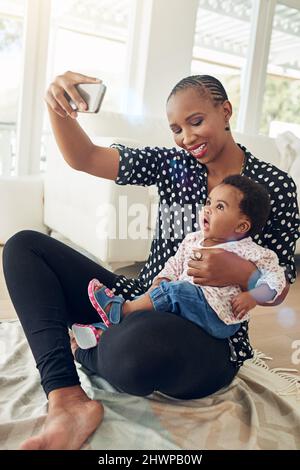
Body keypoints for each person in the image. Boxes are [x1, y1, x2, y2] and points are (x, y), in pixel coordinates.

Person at [2, 72, 299, 450]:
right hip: (141, 298)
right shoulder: (173, 165)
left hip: (206, 331)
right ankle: (67, 398)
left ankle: (89, 343)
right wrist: (57, 108)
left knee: (134, 356)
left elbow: (280, 284)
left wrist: (240, 272)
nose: (187, 138)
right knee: (24, 247)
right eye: (176, 129)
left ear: (225, 111)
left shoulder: (272, 186)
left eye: (196, 121)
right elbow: (85, 157)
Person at [72, 175, 286, 351]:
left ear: (241, 227)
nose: (208, 209)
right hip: (186, 307)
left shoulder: (253, 252)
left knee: (173, 292)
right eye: (209, 202)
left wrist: (253, 296)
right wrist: (161, 279)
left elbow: (277, 280)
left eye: (220, 207)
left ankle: (121, 310)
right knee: (148, 302)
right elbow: (174, 264)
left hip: (218, 317)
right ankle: (99, 331)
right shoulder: (193, 239)